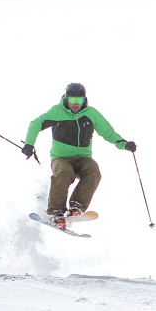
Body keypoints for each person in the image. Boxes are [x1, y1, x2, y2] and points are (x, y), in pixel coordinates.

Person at [21, 83, 136, 227]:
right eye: (72, 100)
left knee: (93, 171)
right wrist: (29, 144)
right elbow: (35, 124)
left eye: (79, 100)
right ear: (66, 98)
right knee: (64, 173)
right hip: (61, 158)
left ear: (84, 100)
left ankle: (76, 207)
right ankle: (57, 211)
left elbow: (108, 132)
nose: (76, 104)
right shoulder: (57, 112)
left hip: (83, 158)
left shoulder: (91, 114)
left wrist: (124, 144)